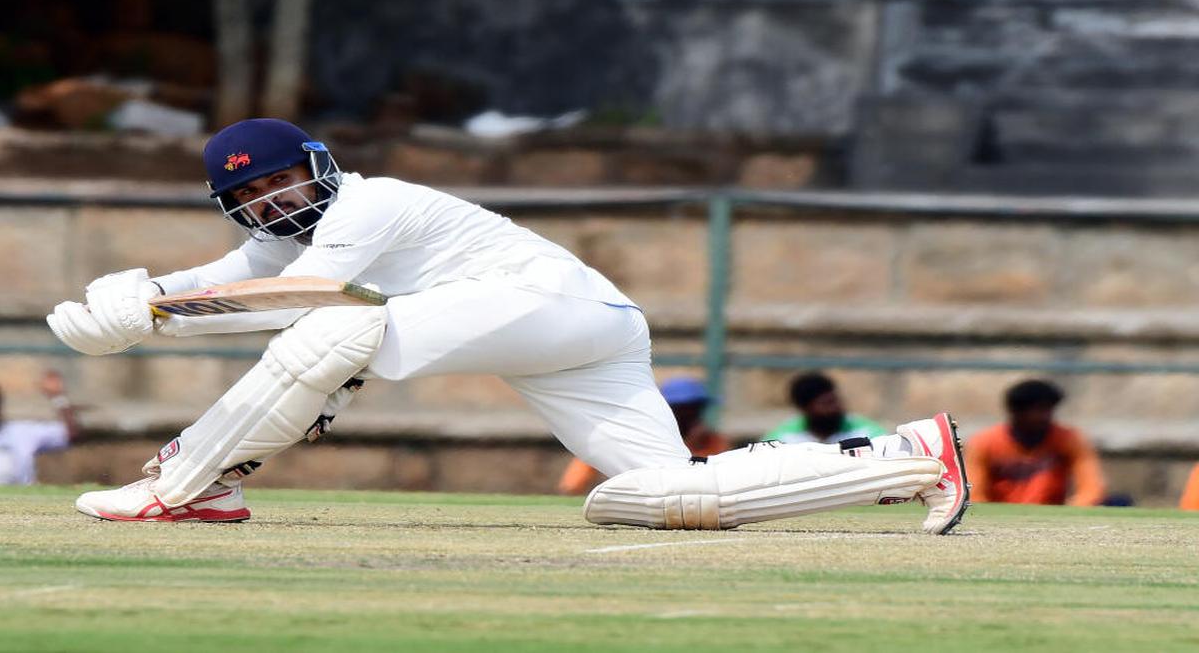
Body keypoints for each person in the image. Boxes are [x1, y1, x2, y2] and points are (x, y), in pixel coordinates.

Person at [47, 118, 968, 533]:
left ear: (321, 165)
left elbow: (310, 298)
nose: (271, 199)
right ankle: (912, 454)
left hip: (550, 307)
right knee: (670, 496)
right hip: (584, 331)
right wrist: (124, 298)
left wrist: (153, 321)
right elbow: (218, 283)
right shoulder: (275, 246)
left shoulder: (374, 203)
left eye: (281, 177)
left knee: (335, 335)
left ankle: (193, 485)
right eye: (248, 194)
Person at [558, 376, 730, 495]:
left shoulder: (710, 441)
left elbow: (716, 487)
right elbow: (570, 487)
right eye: (684, 411)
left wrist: (692, 447)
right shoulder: (629, 437)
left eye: (696, 410)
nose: (692, 417)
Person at [966, 379, 1105, 506]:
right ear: (1014, 412)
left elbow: (1091, 488)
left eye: (1045, 409)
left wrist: (1072, 511)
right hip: (999, 514)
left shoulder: (1070, 439)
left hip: (1052, 514)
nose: (1039, 417)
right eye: (1032, 411)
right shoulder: (984, 442)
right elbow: (974, 493)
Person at [0, 370, 82, 485]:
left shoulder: (22, 429)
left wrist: (58, 396)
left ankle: (26, 484)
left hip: (16, 489)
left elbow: (70, 433)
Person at [763, 372, 888, 445]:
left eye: (835, 401)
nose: (836, 408)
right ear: (805, 408)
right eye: (826, 404)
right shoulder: (782, 439)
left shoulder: (868, 433)